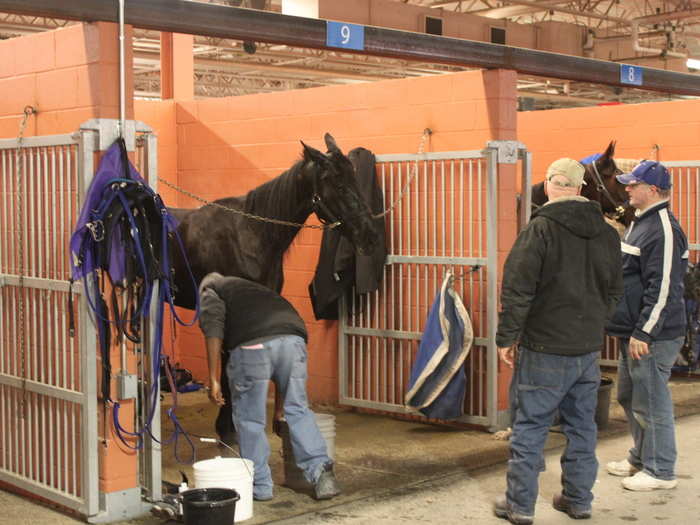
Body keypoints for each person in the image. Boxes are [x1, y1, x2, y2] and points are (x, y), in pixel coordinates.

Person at [493, 158, 623, 525]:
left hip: (543, 350)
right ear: (581, 189)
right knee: (582, 428)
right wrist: (594, 324)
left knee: (530, 427)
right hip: (586, 352)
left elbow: (518, 290)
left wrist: (508, 337)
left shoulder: (539, 231)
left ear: (550, 185)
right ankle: (579, 500)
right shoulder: (608, 234)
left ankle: (519, 506)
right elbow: (615, 291)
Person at [198, 272, 341, 501]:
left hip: (252, 345)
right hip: (294, 340)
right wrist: (279, 409)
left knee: (249, 419)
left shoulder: (211, 290)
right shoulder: (255, 291)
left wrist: (214, 378)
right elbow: (277, 352)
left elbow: (213, 330)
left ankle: (261, 486)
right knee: (299, 409)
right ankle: (322, 474)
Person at [605, 161, 689, 491]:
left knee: (651, 401)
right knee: (629, 395)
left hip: (653, 335)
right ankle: (640, 457)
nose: (626, 189)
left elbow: (664, 286)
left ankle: (661, 470)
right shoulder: (642, 222)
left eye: (632, 184)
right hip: (635, 331)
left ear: (652, 190)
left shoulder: (663, 229)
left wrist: (645, 332)